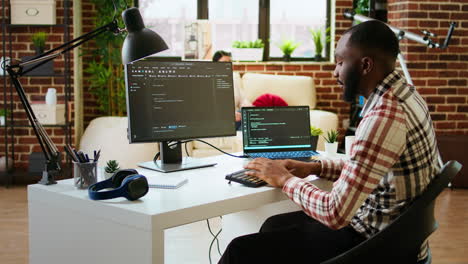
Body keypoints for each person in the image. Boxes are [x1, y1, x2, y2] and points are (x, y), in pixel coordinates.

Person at [218, 20, 441, 264]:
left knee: (239, 251)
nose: (335, 72)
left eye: (340, 62)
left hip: (375, 245)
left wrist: (284, 178)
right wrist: (315, 167)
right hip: (396, 235)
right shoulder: (406, 94)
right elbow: (371, 168)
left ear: (365, 65)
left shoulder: (383, 117)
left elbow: (335, 213)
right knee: (273, 225)